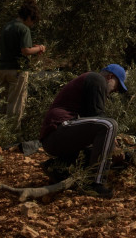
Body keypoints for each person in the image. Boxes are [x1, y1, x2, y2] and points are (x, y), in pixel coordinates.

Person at [39, 64, 128, 198]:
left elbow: (90, 122)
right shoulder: (97, 79)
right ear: (110, 77)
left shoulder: (89, 83)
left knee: (96, 149)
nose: (114, 91)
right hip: (59, 128)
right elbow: (97, 117)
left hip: (55, 138)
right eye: (117, 87)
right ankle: (95, 184)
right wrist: (113, 145)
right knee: (109, 125)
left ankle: (57, 167)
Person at [0, 0, 46, 128]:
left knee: (4, 102)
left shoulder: (7, 26)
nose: (32, 24)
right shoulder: (24, 29)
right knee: (16, 103)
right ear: (29, 17)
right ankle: (11, 135)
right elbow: (25, 50)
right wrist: (39, 48)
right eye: (33, 21)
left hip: (3, 69)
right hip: (17, 71)